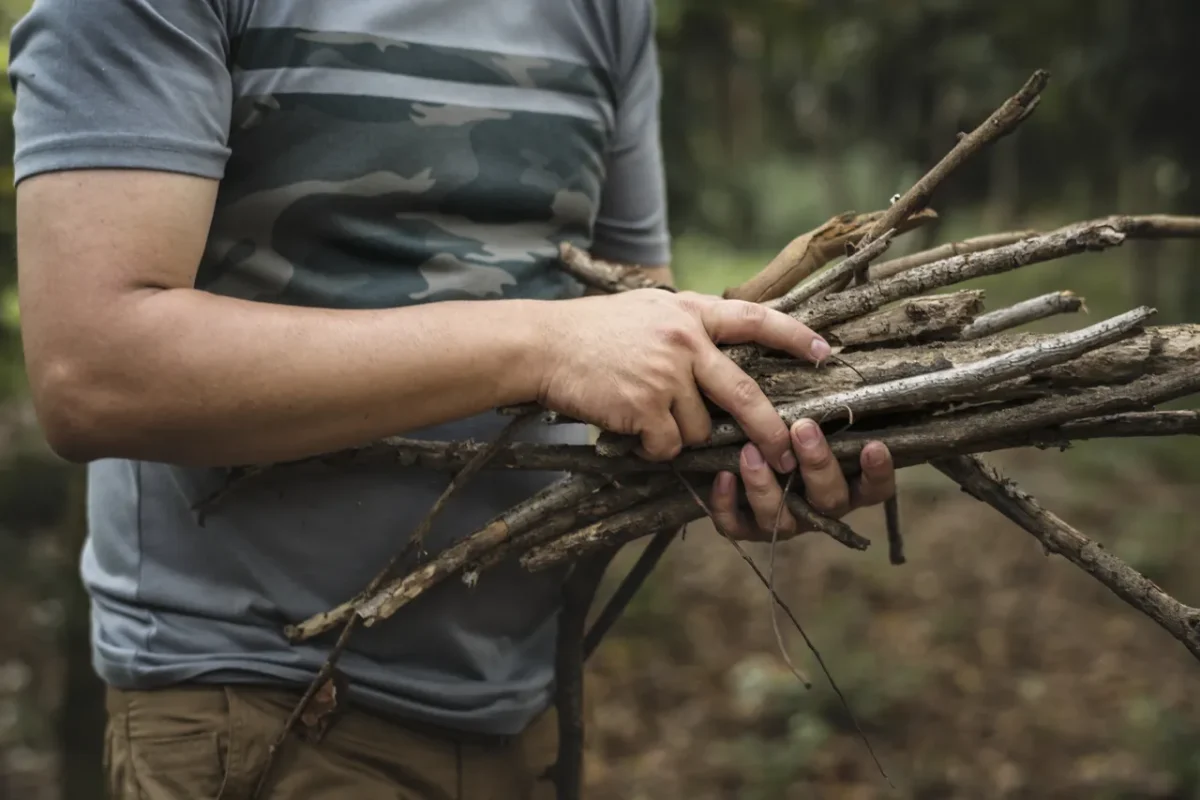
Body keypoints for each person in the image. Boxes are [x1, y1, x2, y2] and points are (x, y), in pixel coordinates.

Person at [8, 0, 896, 797]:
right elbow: (94, 372)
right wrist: (542, 345)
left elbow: (629, 326)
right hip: (260, 707)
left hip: (526, 715)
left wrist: (752, 442)